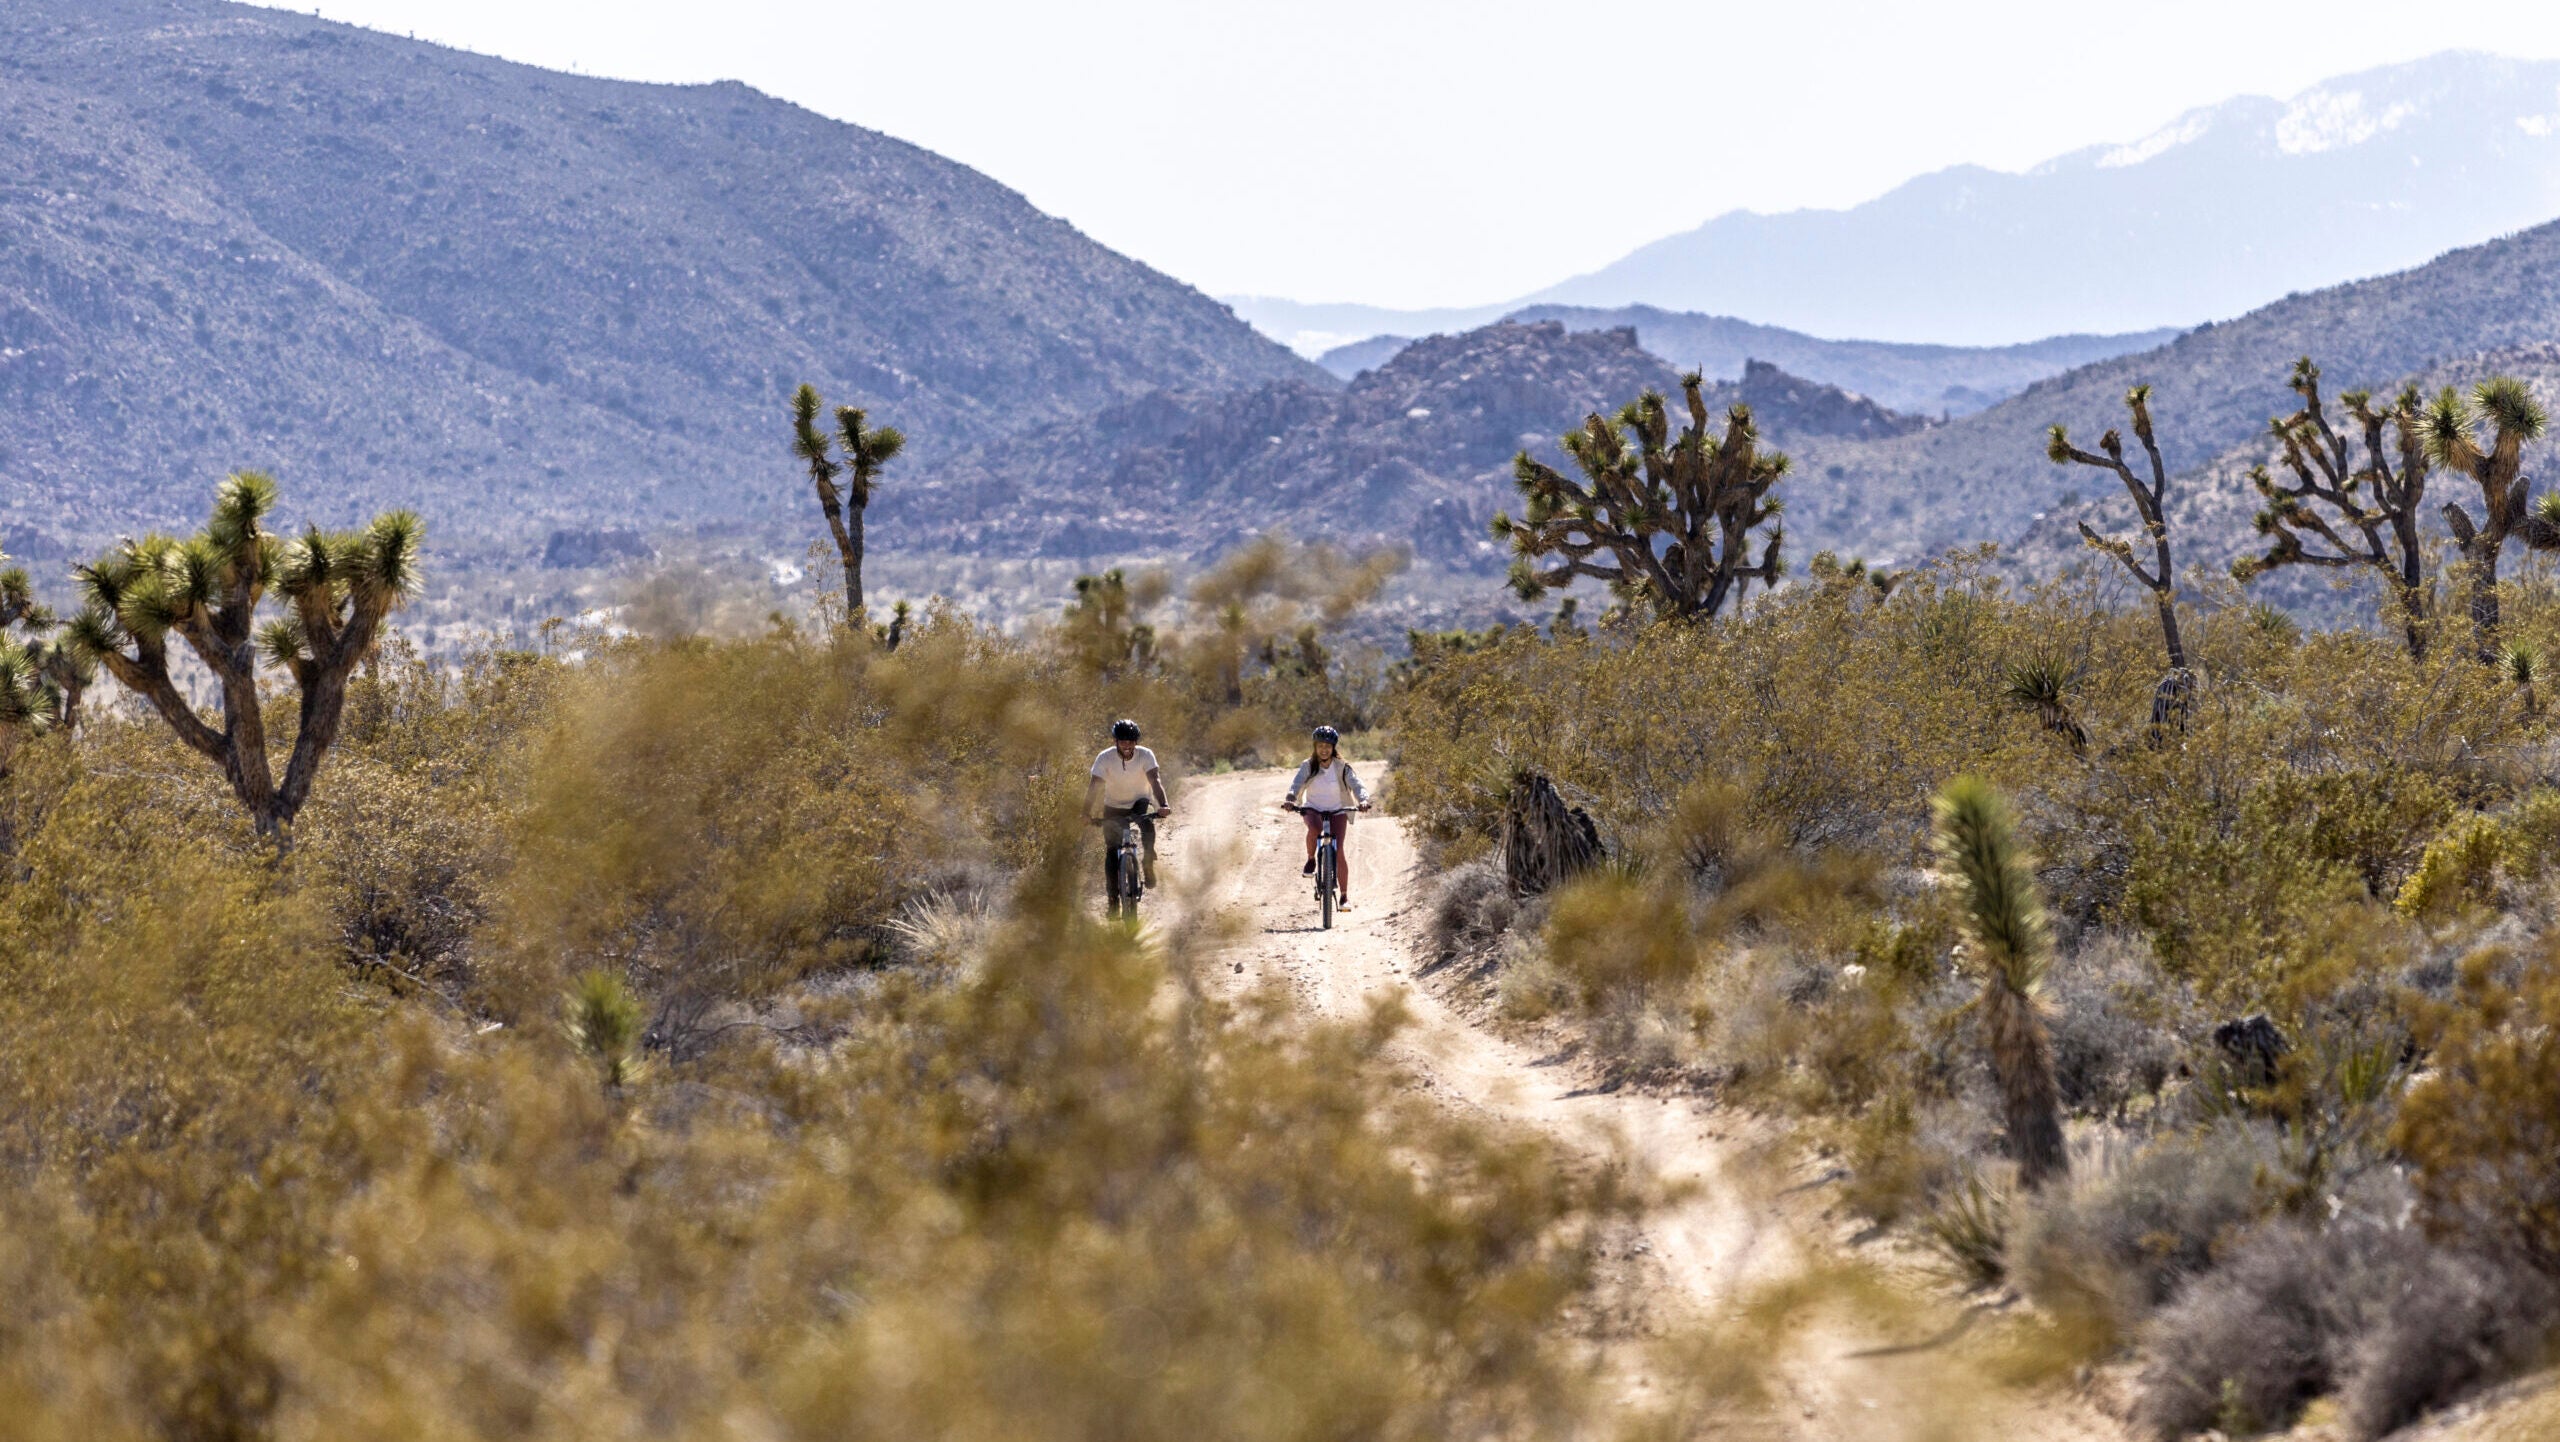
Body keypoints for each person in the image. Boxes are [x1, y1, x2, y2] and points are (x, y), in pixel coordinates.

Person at [1085, 718, 1170, 913]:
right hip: (1113, 806)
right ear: (1115, 741)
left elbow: (1155, 781)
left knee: (1146, 821)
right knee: (1111, 852)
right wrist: (1085, 813)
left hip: (1139, 801)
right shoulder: (1104, 758)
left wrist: (1163, 804)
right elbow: (1094, 787)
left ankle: (1148, 861)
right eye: (1123, 741)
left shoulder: (1146, 755)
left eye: (1131, 741)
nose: (1127, 745)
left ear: (1136, 742)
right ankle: (1113, 900)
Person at [1281, 725, 1370, 907]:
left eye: (1328, 746)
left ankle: (1344, 897)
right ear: (1315, 746)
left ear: (1333, 748)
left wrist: (1363, 800)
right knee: (1314, 829)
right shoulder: (1308, 765)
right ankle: (1311, 859)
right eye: (1320, 746)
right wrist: (1290, 798)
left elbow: (1357, 785)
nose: (1324, 750)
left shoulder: (1342, 767)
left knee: (1339, 852)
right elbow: (1296, 783)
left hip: (1338, 810)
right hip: (1313, 808)